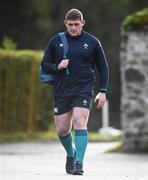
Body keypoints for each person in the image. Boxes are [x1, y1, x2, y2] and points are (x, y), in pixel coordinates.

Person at [41, 8, 109, 175]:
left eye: (76, 24)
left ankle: (79, 163)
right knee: (62, 130)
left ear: (83, 23)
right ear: (65, 23)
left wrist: (103, 90)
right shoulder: (56, 41)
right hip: (61, 90)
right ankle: (71, 154)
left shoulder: (93, 42)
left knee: (80, 122)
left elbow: (103, 67)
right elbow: (44, 64)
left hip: (84, 89)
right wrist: (57, 66)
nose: (73, 28)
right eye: (70, 24)